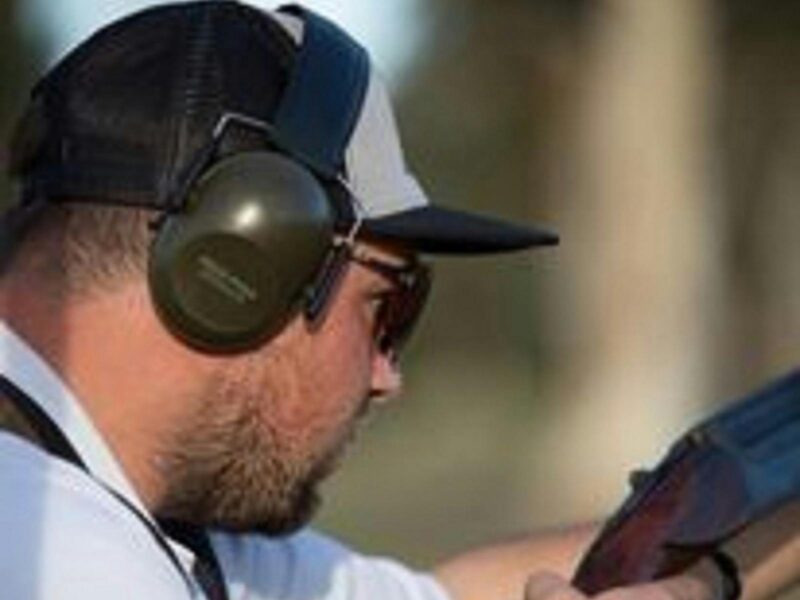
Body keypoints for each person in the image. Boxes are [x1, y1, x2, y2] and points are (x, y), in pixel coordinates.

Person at [0, 2, 796, 599]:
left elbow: (448, 595)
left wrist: (704, 576)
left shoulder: (133, 506)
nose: (388, 376)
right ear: (242, 265)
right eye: (388, 305)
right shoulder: (55, 551)